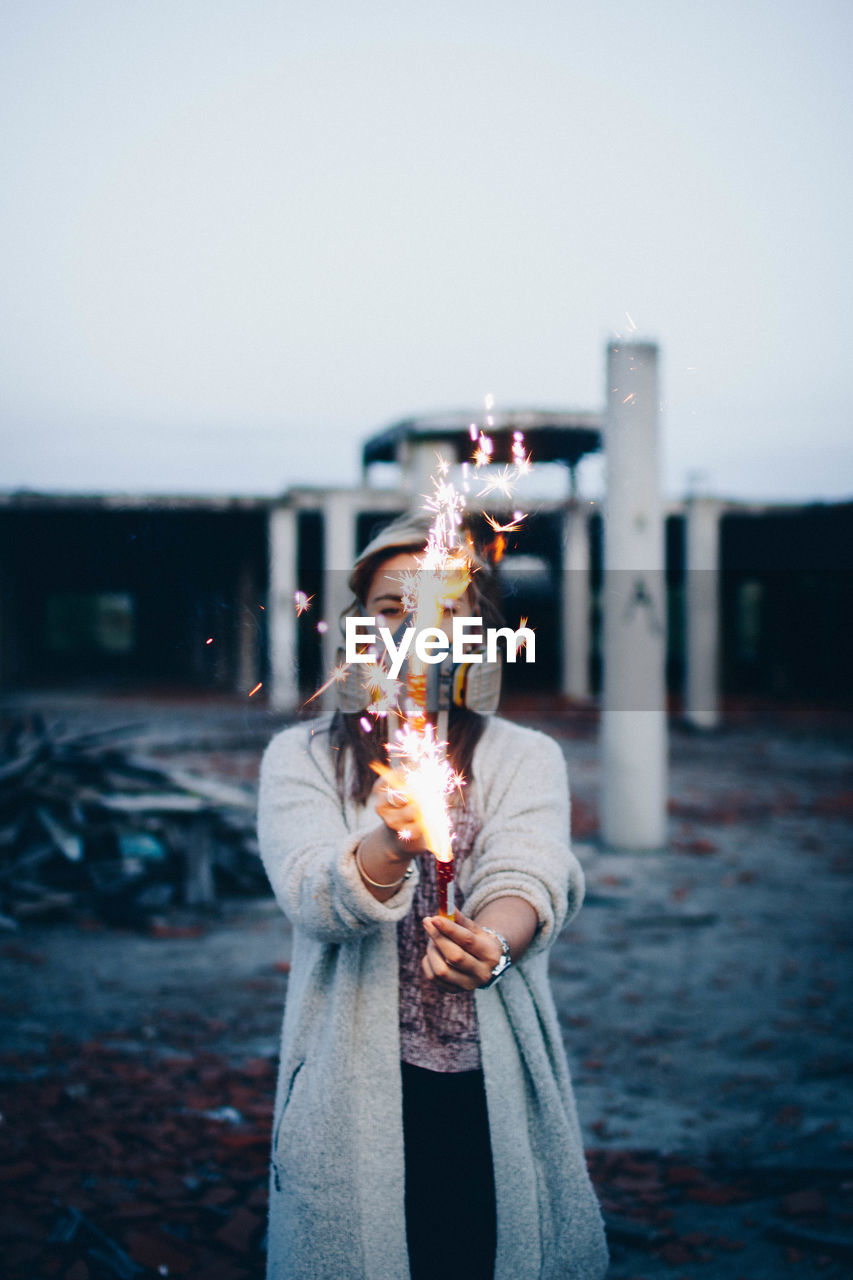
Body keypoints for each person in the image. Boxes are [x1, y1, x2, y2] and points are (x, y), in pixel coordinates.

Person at [257, 512, 609, 1280]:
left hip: (494, 1079)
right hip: (353, 1081)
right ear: (356, 630)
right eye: (390, 608)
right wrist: (389, 847)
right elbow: (309, 891)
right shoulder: (301, 758)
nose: (416, 628)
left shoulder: (526, 756)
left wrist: (495, 941)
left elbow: (532, 869)